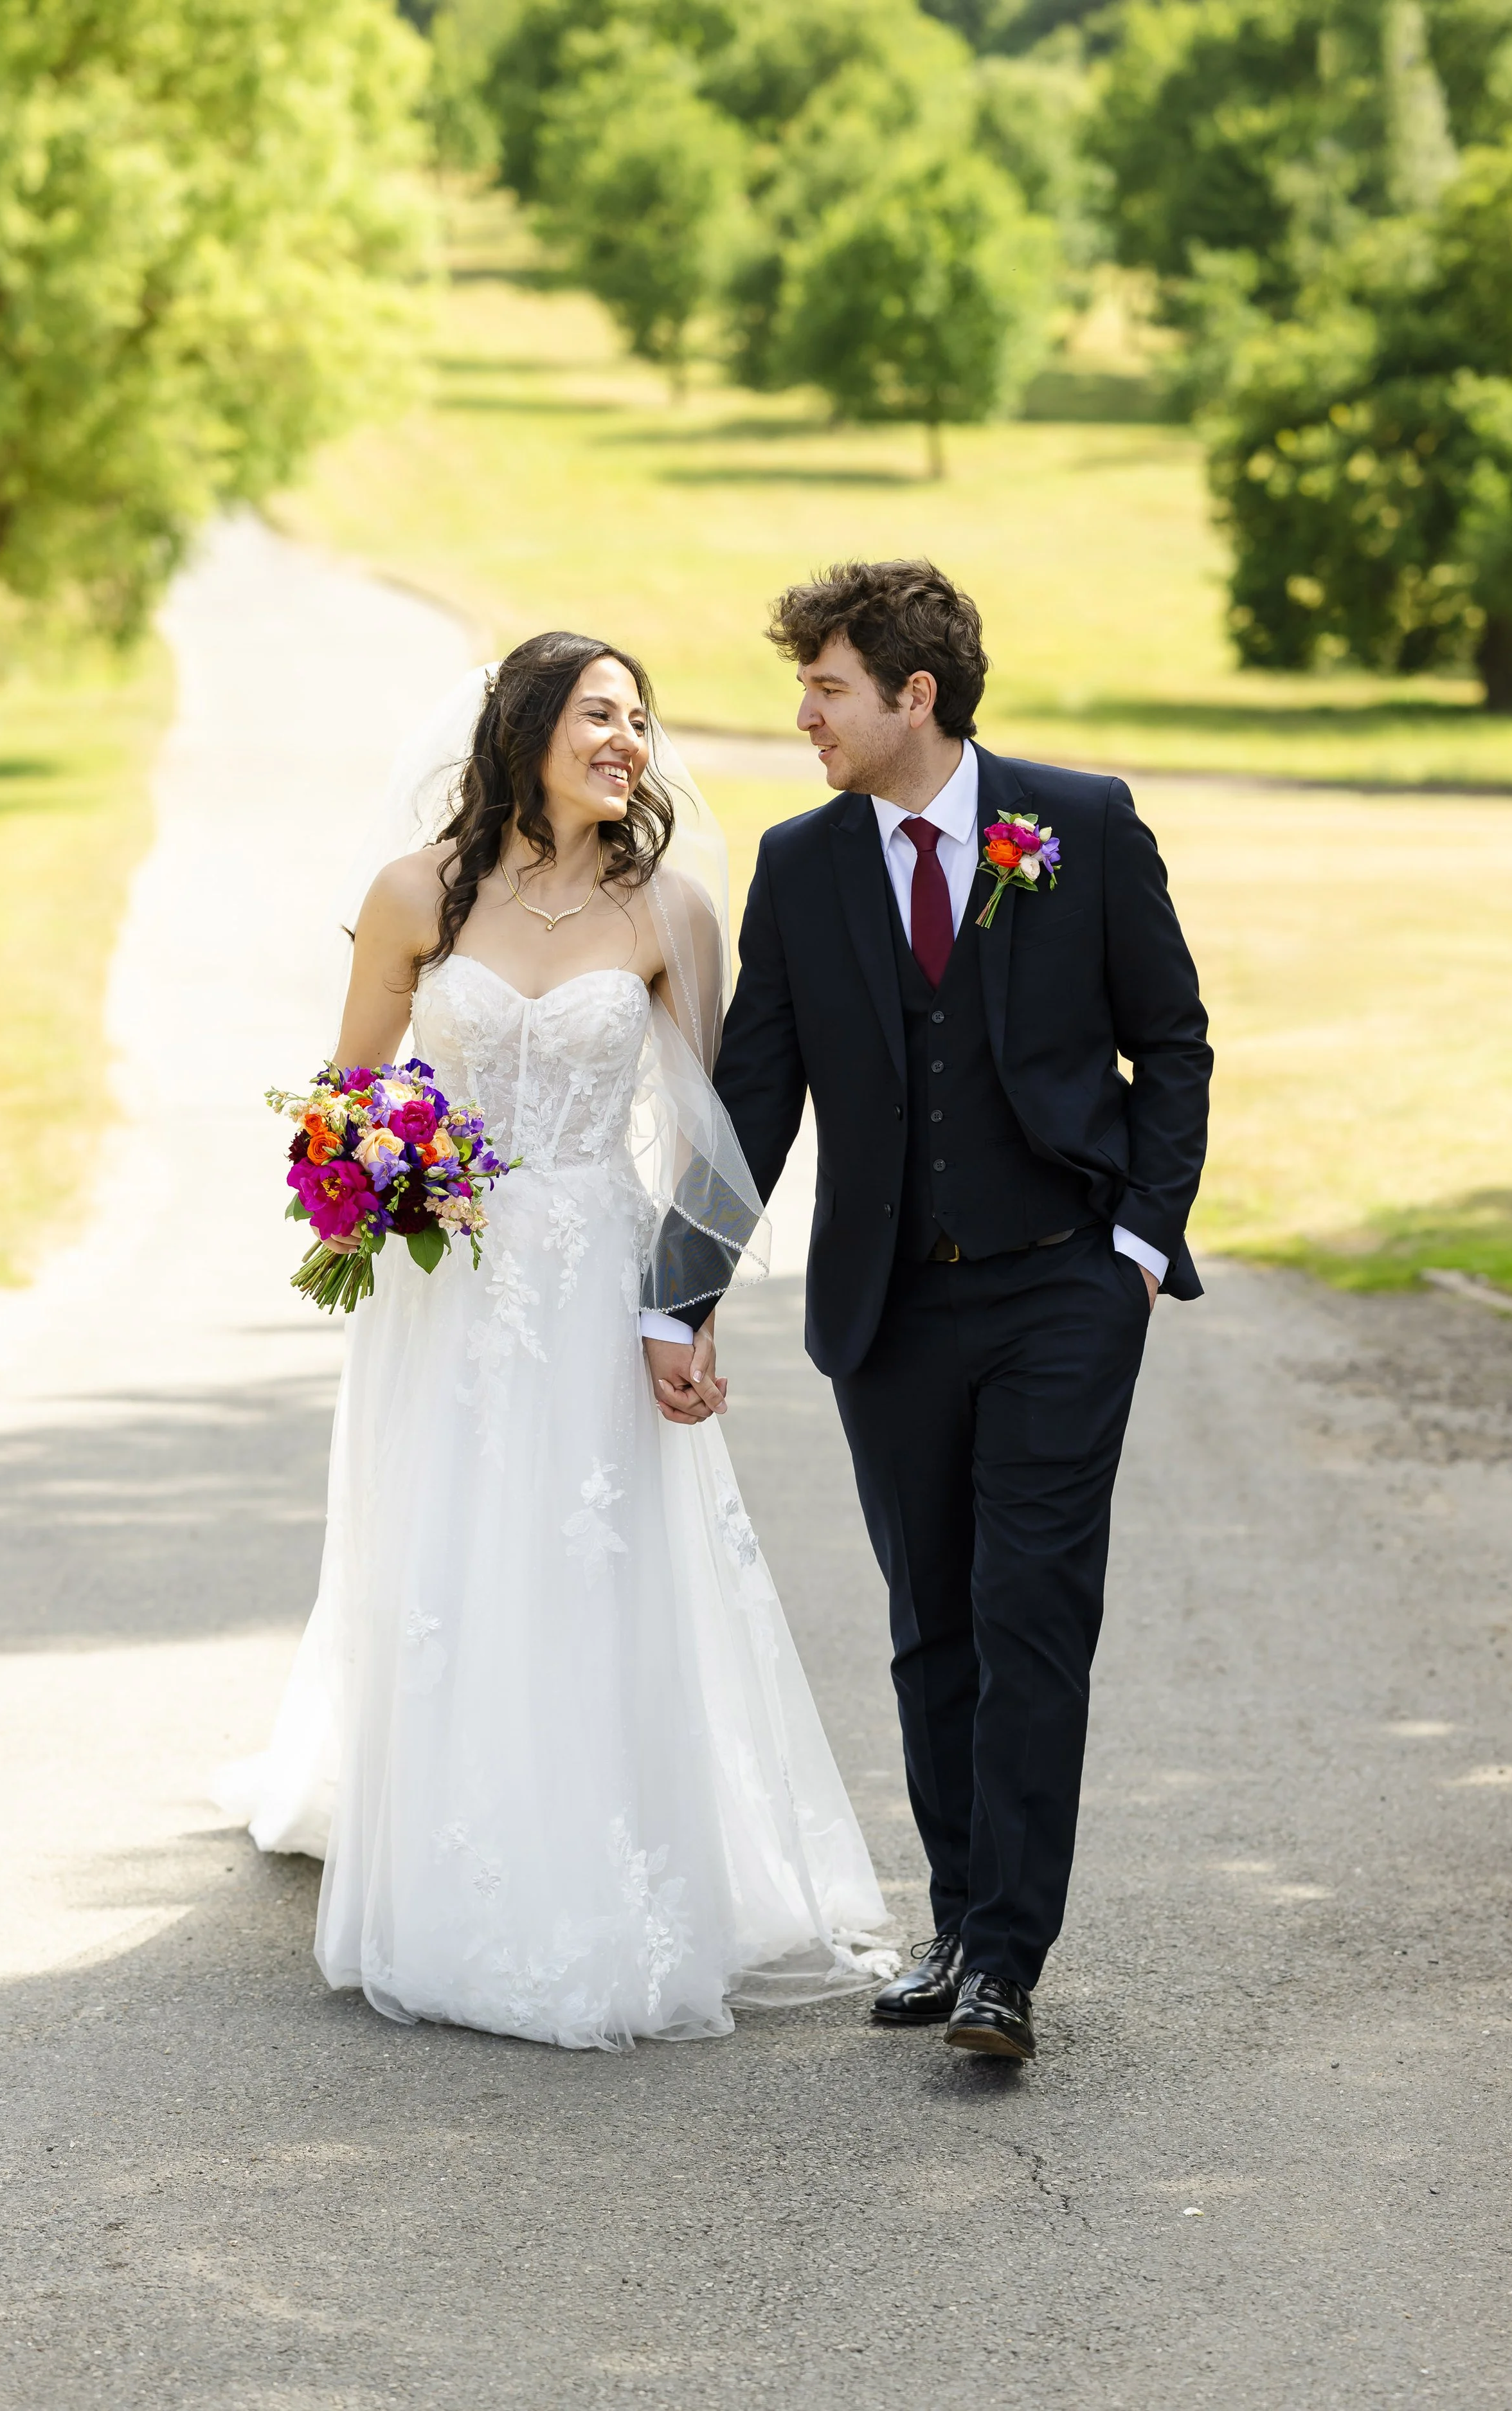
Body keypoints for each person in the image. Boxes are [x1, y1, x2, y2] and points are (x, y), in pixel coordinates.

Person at [217, 631, 895, 2050]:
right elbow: (343, 1100)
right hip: (448, 1282)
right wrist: (380, 1169)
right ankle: (454, 1842)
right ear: (525, 728)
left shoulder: (669, 911)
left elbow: (721, 1136)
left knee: (596, 1557)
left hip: (597, 1273)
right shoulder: (414, 894)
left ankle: (613, 1859)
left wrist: (686, 1308)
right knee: (455, 1555)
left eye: (639, 721)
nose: (627, 741)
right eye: (599, 714)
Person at [646, 561, 1211, 2061]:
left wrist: (1140, 1249)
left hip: (1061, 1292)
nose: (802, 715)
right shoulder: (803, 861)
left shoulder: (1075, 824)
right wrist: (674, 1292)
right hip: (888, 1310)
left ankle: (1006, 1965)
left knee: (1030, 1614)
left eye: (826, 687)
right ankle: (958, 1919)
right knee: (928, 1628)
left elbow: (1170, 1039)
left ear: (915, 695)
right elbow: (754, 1096)